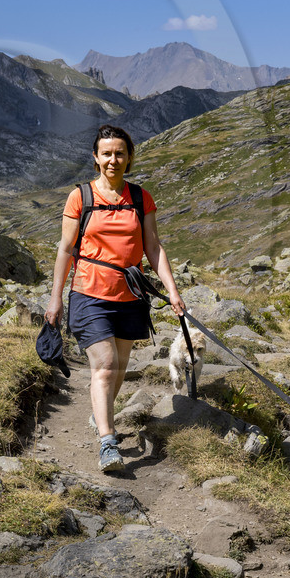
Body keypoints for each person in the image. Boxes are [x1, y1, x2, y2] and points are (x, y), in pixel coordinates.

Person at [45, 124, 186, 472]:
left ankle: (100, 413)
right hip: (88, 293)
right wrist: (55, 298)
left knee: (120, 367)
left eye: (119, 153)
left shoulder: (141, 198)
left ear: (129, 157)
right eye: (106, 153)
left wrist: (172, 289)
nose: (113, 159)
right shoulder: (81, 197)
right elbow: (65, 248)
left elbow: (153, 247)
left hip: (131, 294)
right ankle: (108, 442)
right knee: (105, 364)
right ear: (95, 158)